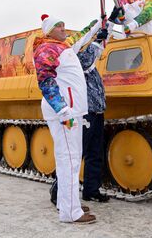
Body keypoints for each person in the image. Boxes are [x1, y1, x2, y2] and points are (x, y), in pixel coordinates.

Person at [33, 13, 101, 224]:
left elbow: (82, 34)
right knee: (69, 160)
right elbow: (45, 80)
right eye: (59, 26)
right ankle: (71, 213)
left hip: (73, 111)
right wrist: (63, 110)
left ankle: (67, 203)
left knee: (70, 159)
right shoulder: (47, 49)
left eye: (64, 25)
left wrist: (100, 21)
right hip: (65, 113)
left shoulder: (64, 46)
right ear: (49, 30)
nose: (64, 29)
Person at [50, 22, 111, 205]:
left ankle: (91, 190)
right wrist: (98, 40)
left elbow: (93, 56)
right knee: (75, 154)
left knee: (95, 153)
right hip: (83, 113)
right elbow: (86, 58)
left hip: (97, 112)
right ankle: (58, 192)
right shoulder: (73, 60)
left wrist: (102, 36)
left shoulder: (90, 66)